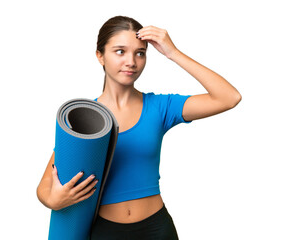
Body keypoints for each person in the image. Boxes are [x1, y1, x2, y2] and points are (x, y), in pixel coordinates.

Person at [37, 16, 241, 239]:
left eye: (140, 53)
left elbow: (229, 97)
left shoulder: (161, 107)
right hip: (106, 232)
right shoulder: (87, 118)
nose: (131, 61)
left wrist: (173, 53)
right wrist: (54, 200)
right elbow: (46, 186)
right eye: (120, 51)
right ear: (100, 56)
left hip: (157, 229)